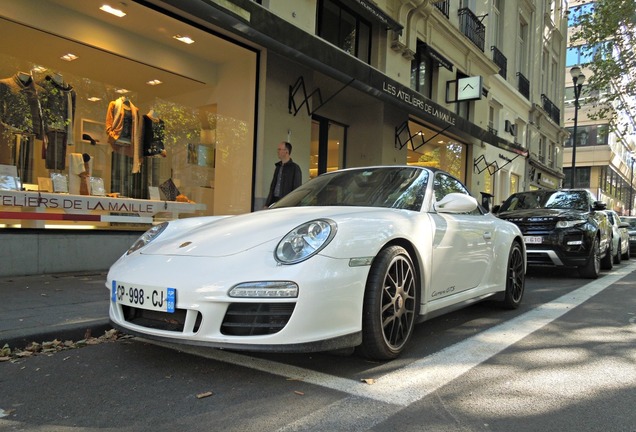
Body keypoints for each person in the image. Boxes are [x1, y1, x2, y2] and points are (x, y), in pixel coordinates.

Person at [265, 141, 302, 206]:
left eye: (279, 149)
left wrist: (292, 204)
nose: (278, 151)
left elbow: (297, 189)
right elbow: (273, 186)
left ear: (286, 151)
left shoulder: (295, 168)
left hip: (286, 203)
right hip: (275, 201)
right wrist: (267, 204)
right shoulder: (278, 167)